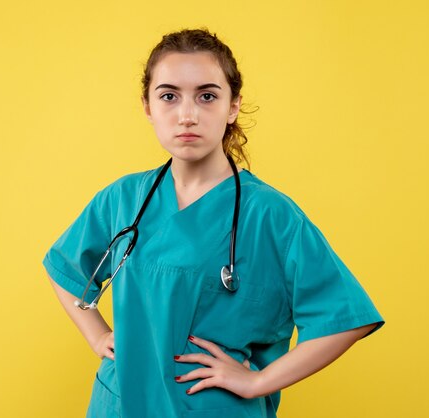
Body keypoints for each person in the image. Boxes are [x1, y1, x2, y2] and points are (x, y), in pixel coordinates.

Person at [42, 27, 384, 418]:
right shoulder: (123, 200)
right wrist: (98, 334)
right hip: (119, 405)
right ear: (148, 107)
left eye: (207, 96)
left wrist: (257, 382)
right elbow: (63, 267)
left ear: (233, 106)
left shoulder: (269, 215)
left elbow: (344, 318)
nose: (187, 115)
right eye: (169, 96)